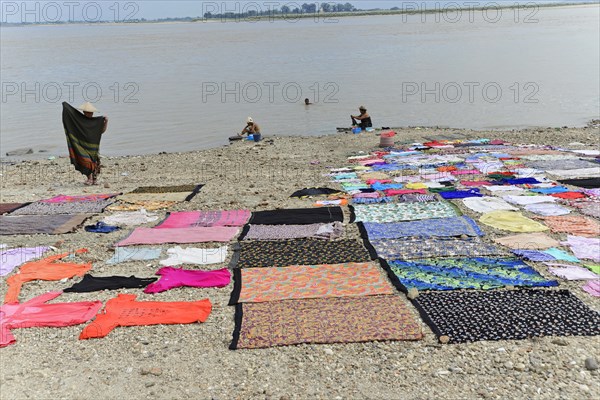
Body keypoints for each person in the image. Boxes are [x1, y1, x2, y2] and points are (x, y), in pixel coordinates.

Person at [62, 102, 108, 186]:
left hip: (92, 146)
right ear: (84, 112)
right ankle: (89, 178)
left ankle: (94, 179)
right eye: (88, 112)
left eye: (91, 112)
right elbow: (70, 119)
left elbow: (101, 132)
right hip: (81, 145)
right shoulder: (79, 120)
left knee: (94, 162)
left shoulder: (95, 122)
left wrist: (105, 122)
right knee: (85, 161)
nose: (90, 114)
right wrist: (65, 106)